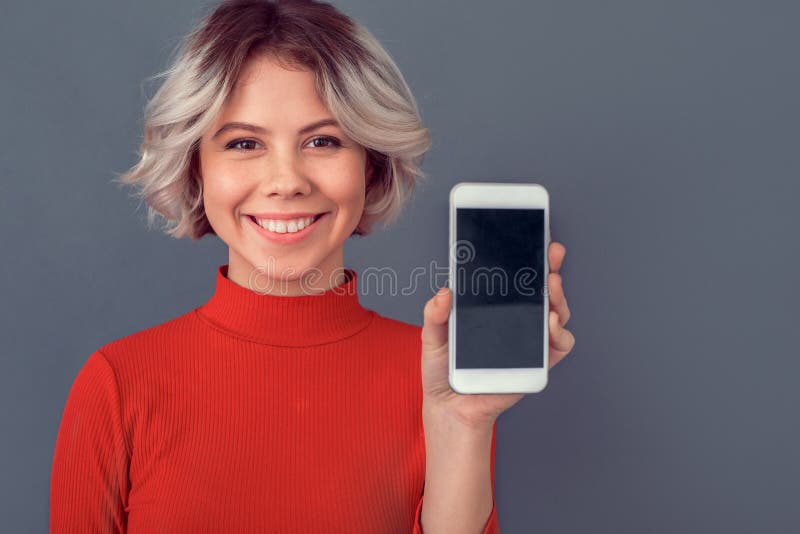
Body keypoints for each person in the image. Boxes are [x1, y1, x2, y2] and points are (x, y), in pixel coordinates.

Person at [49, 0, 575, 532]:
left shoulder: (442, 383)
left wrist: (460, 425)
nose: (287, 180)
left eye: (322, 141)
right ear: (195, 168)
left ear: (370, 166)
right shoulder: (116, 386)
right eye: (244, 143)